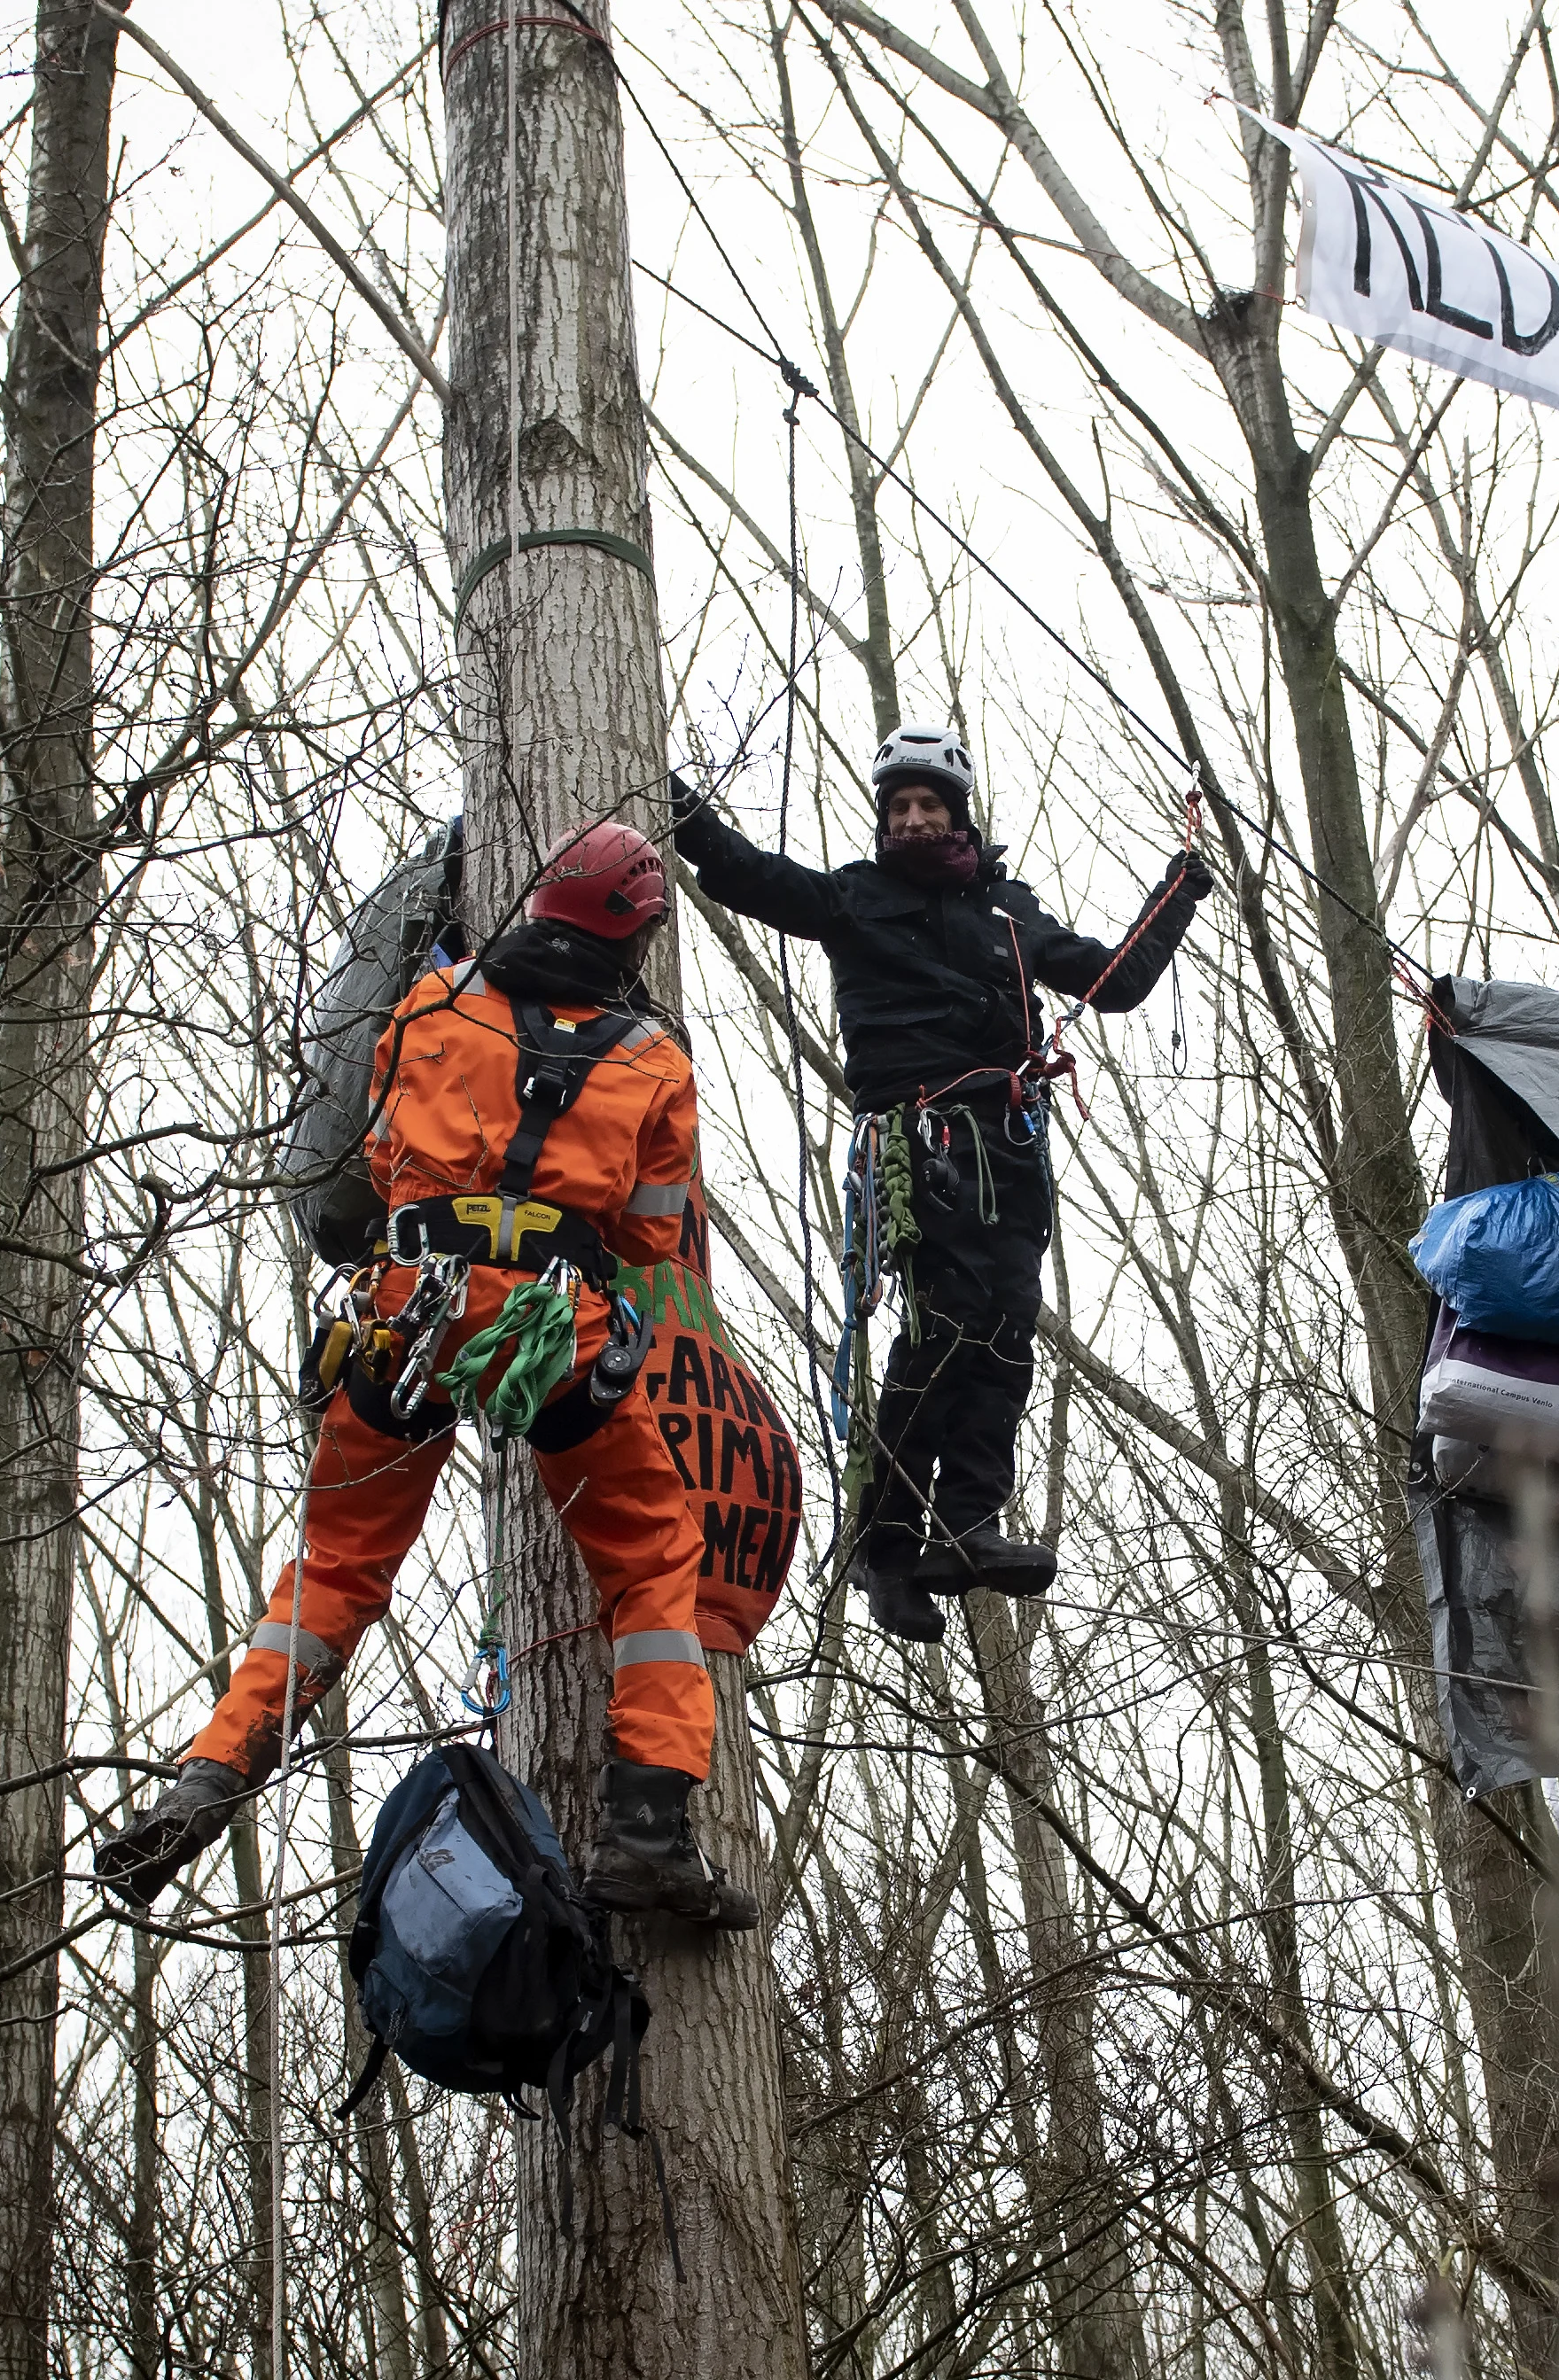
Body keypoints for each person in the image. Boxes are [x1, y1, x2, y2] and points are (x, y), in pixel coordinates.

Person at [94, 821, 757, 1928]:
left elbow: (380, 1158)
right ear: (636, 933)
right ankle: (646, 1834)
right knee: (652, 1566)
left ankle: (209, 1777)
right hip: (557, 1332)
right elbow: (649, 1240)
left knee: (338, 1568)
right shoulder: (655, 1061)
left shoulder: (434, 1004)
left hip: (412, 1311)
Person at [670, 726, 1211, 1643]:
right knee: (944, 1324)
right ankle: (886, 1544)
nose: (915, 820)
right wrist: (675, 800)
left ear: (959, 814)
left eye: (930, 806)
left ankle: (967, 1522)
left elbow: (1114, 982)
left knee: (1003, 1334)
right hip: (919, 1135)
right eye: (899, 808)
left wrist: (1183, 884)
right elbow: (749, 876)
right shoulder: (853, 898)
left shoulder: (1010, 911)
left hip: (1007, 1142)